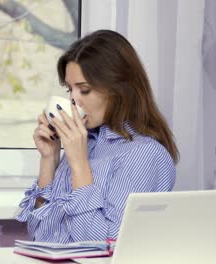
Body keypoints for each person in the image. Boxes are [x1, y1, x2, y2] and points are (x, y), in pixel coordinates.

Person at [15, 30, 179, 243]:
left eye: (84, 90)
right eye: (69, 89)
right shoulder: (87, 142)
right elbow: (41, 237)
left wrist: (79, 164)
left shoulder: (144, 154)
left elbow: (104, 248)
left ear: (118, 89)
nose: (74, 100)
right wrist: (50, 160)